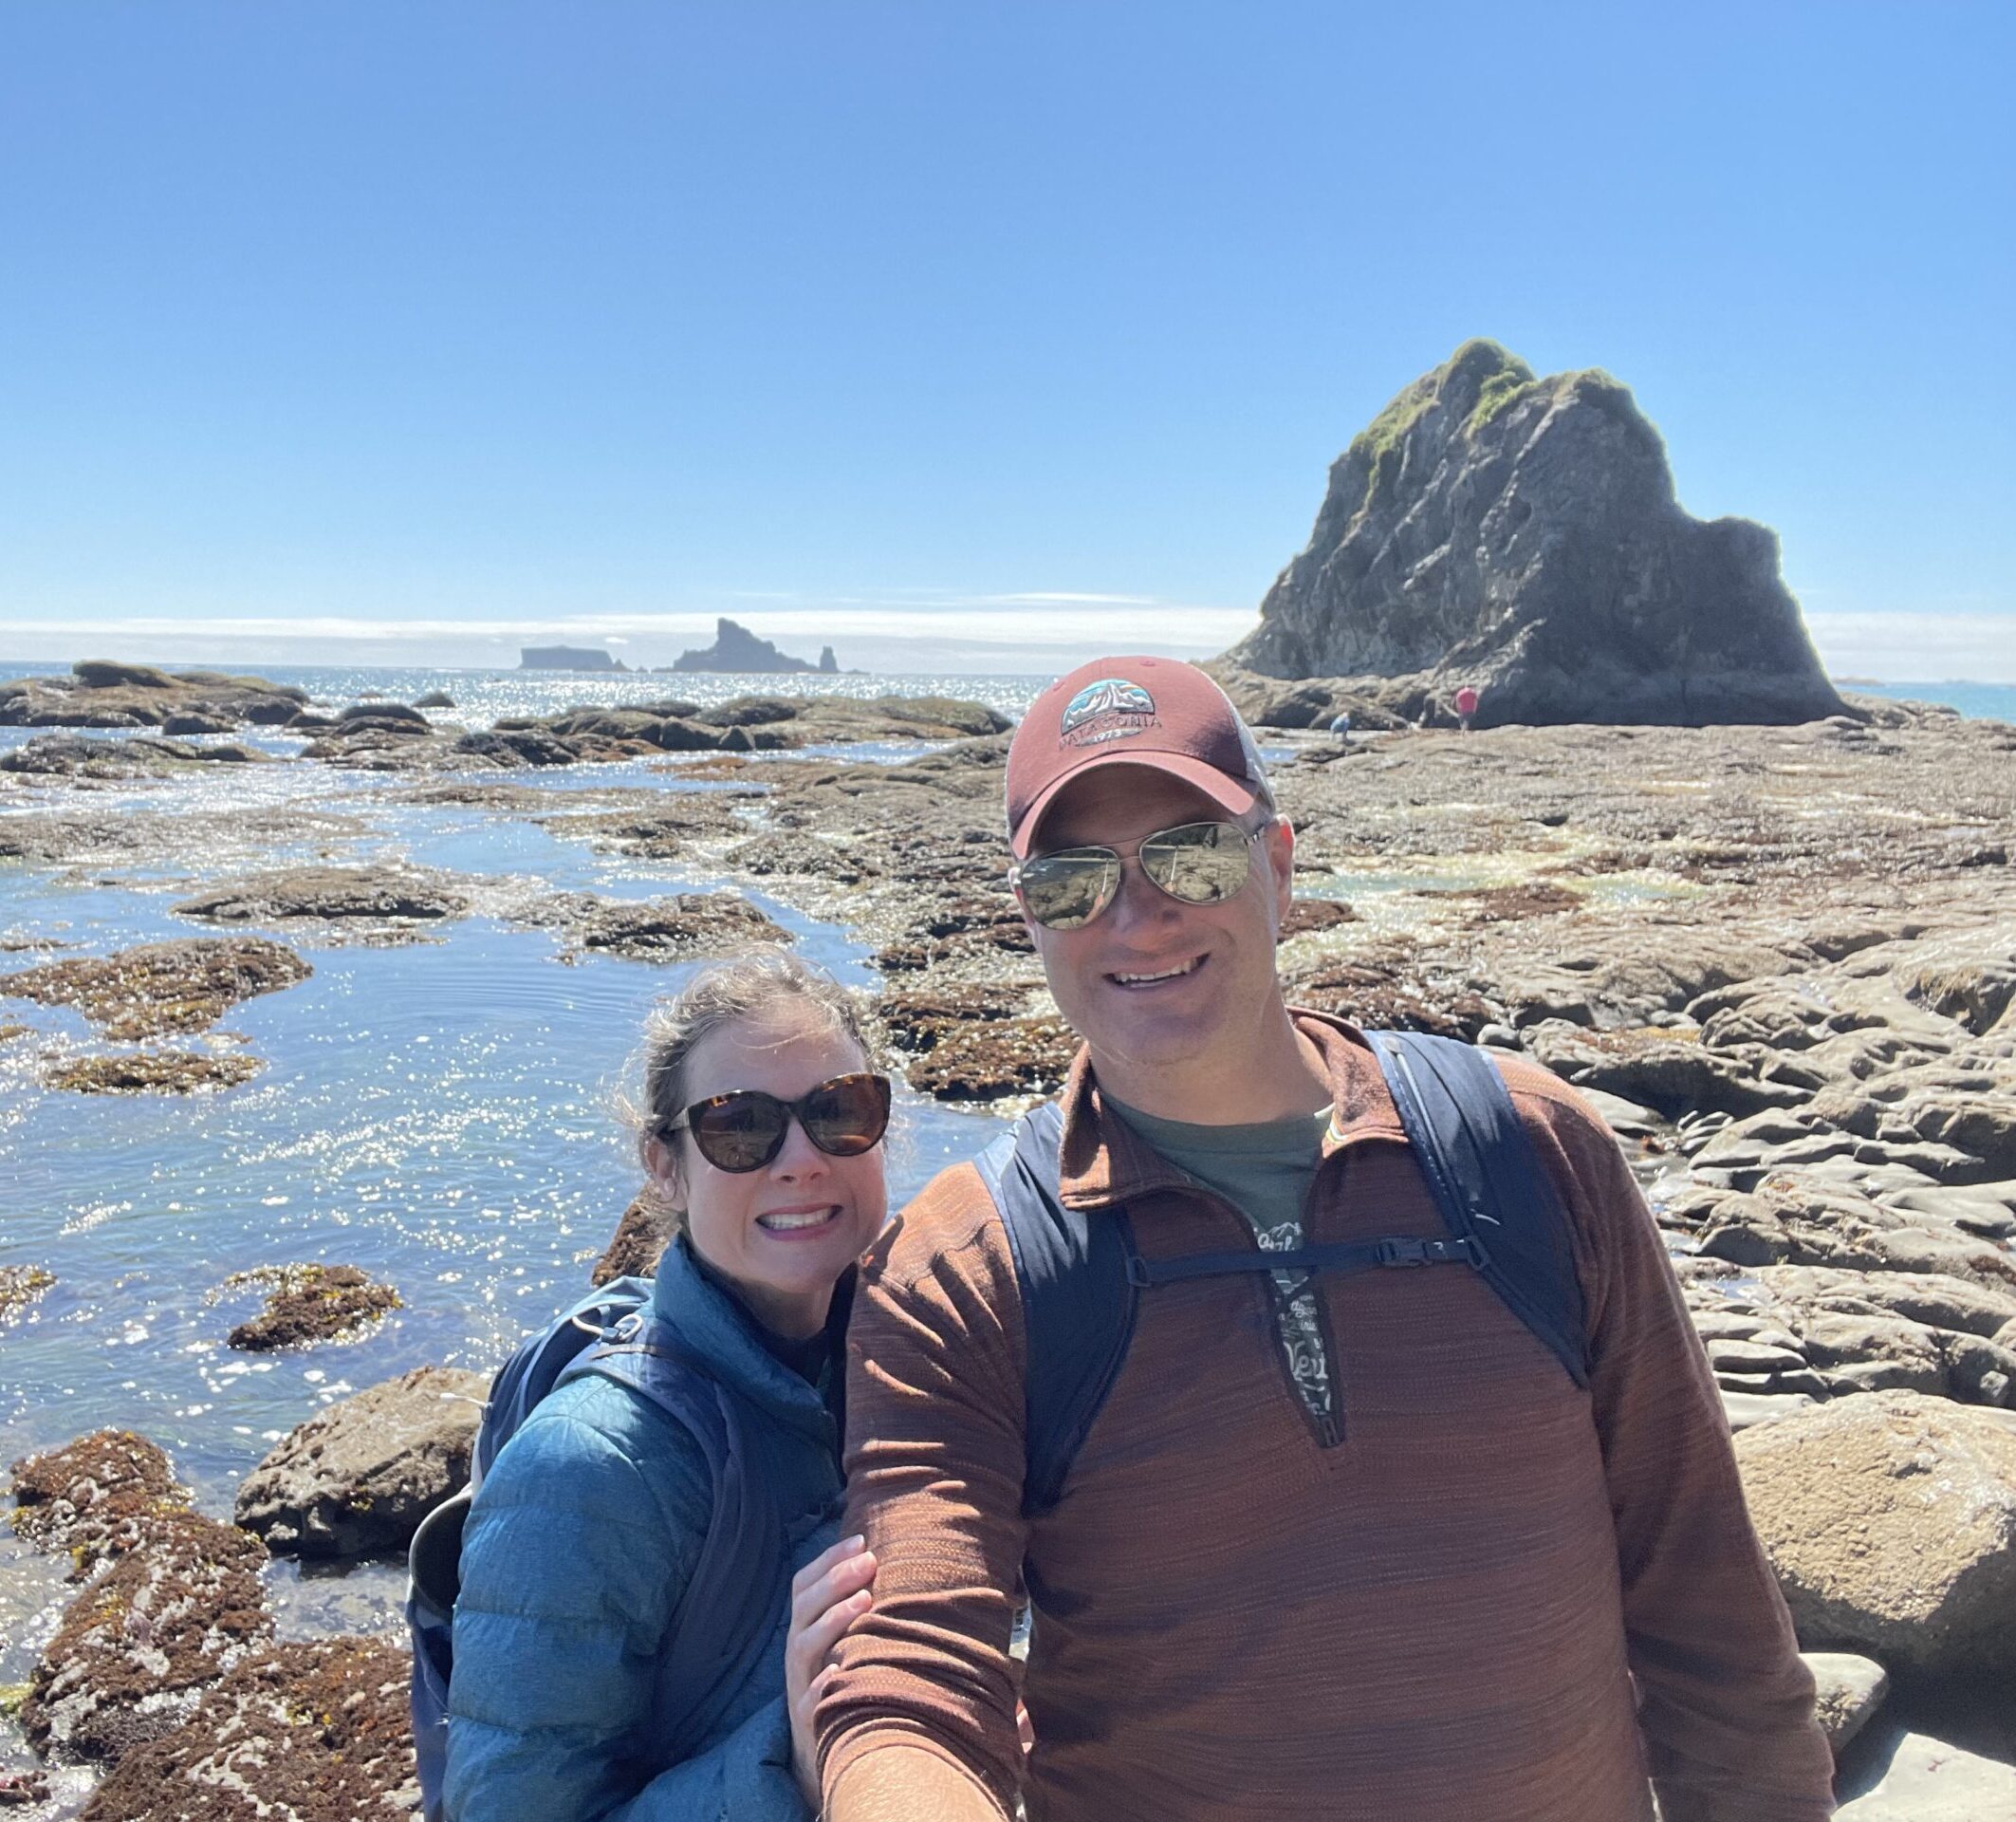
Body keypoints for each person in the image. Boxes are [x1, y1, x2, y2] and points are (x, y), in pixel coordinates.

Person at [816, 656, 1835, 1821]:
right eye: (1071, 880)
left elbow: (1705, 1597)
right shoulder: (962, 1267)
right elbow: (916, 1681)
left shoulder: (1528, 1151)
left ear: (1279, 866)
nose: (1135, 915)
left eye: (1192, 856)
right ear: (1026, 914)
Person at [445, 952, 885, 1819]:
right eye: (740, 1127)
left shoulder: (921, 1368)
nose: (800, 1160)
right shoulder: (588, 1467)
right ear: (664, 1165)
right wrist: (789, 1766)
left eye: (839, 1110)